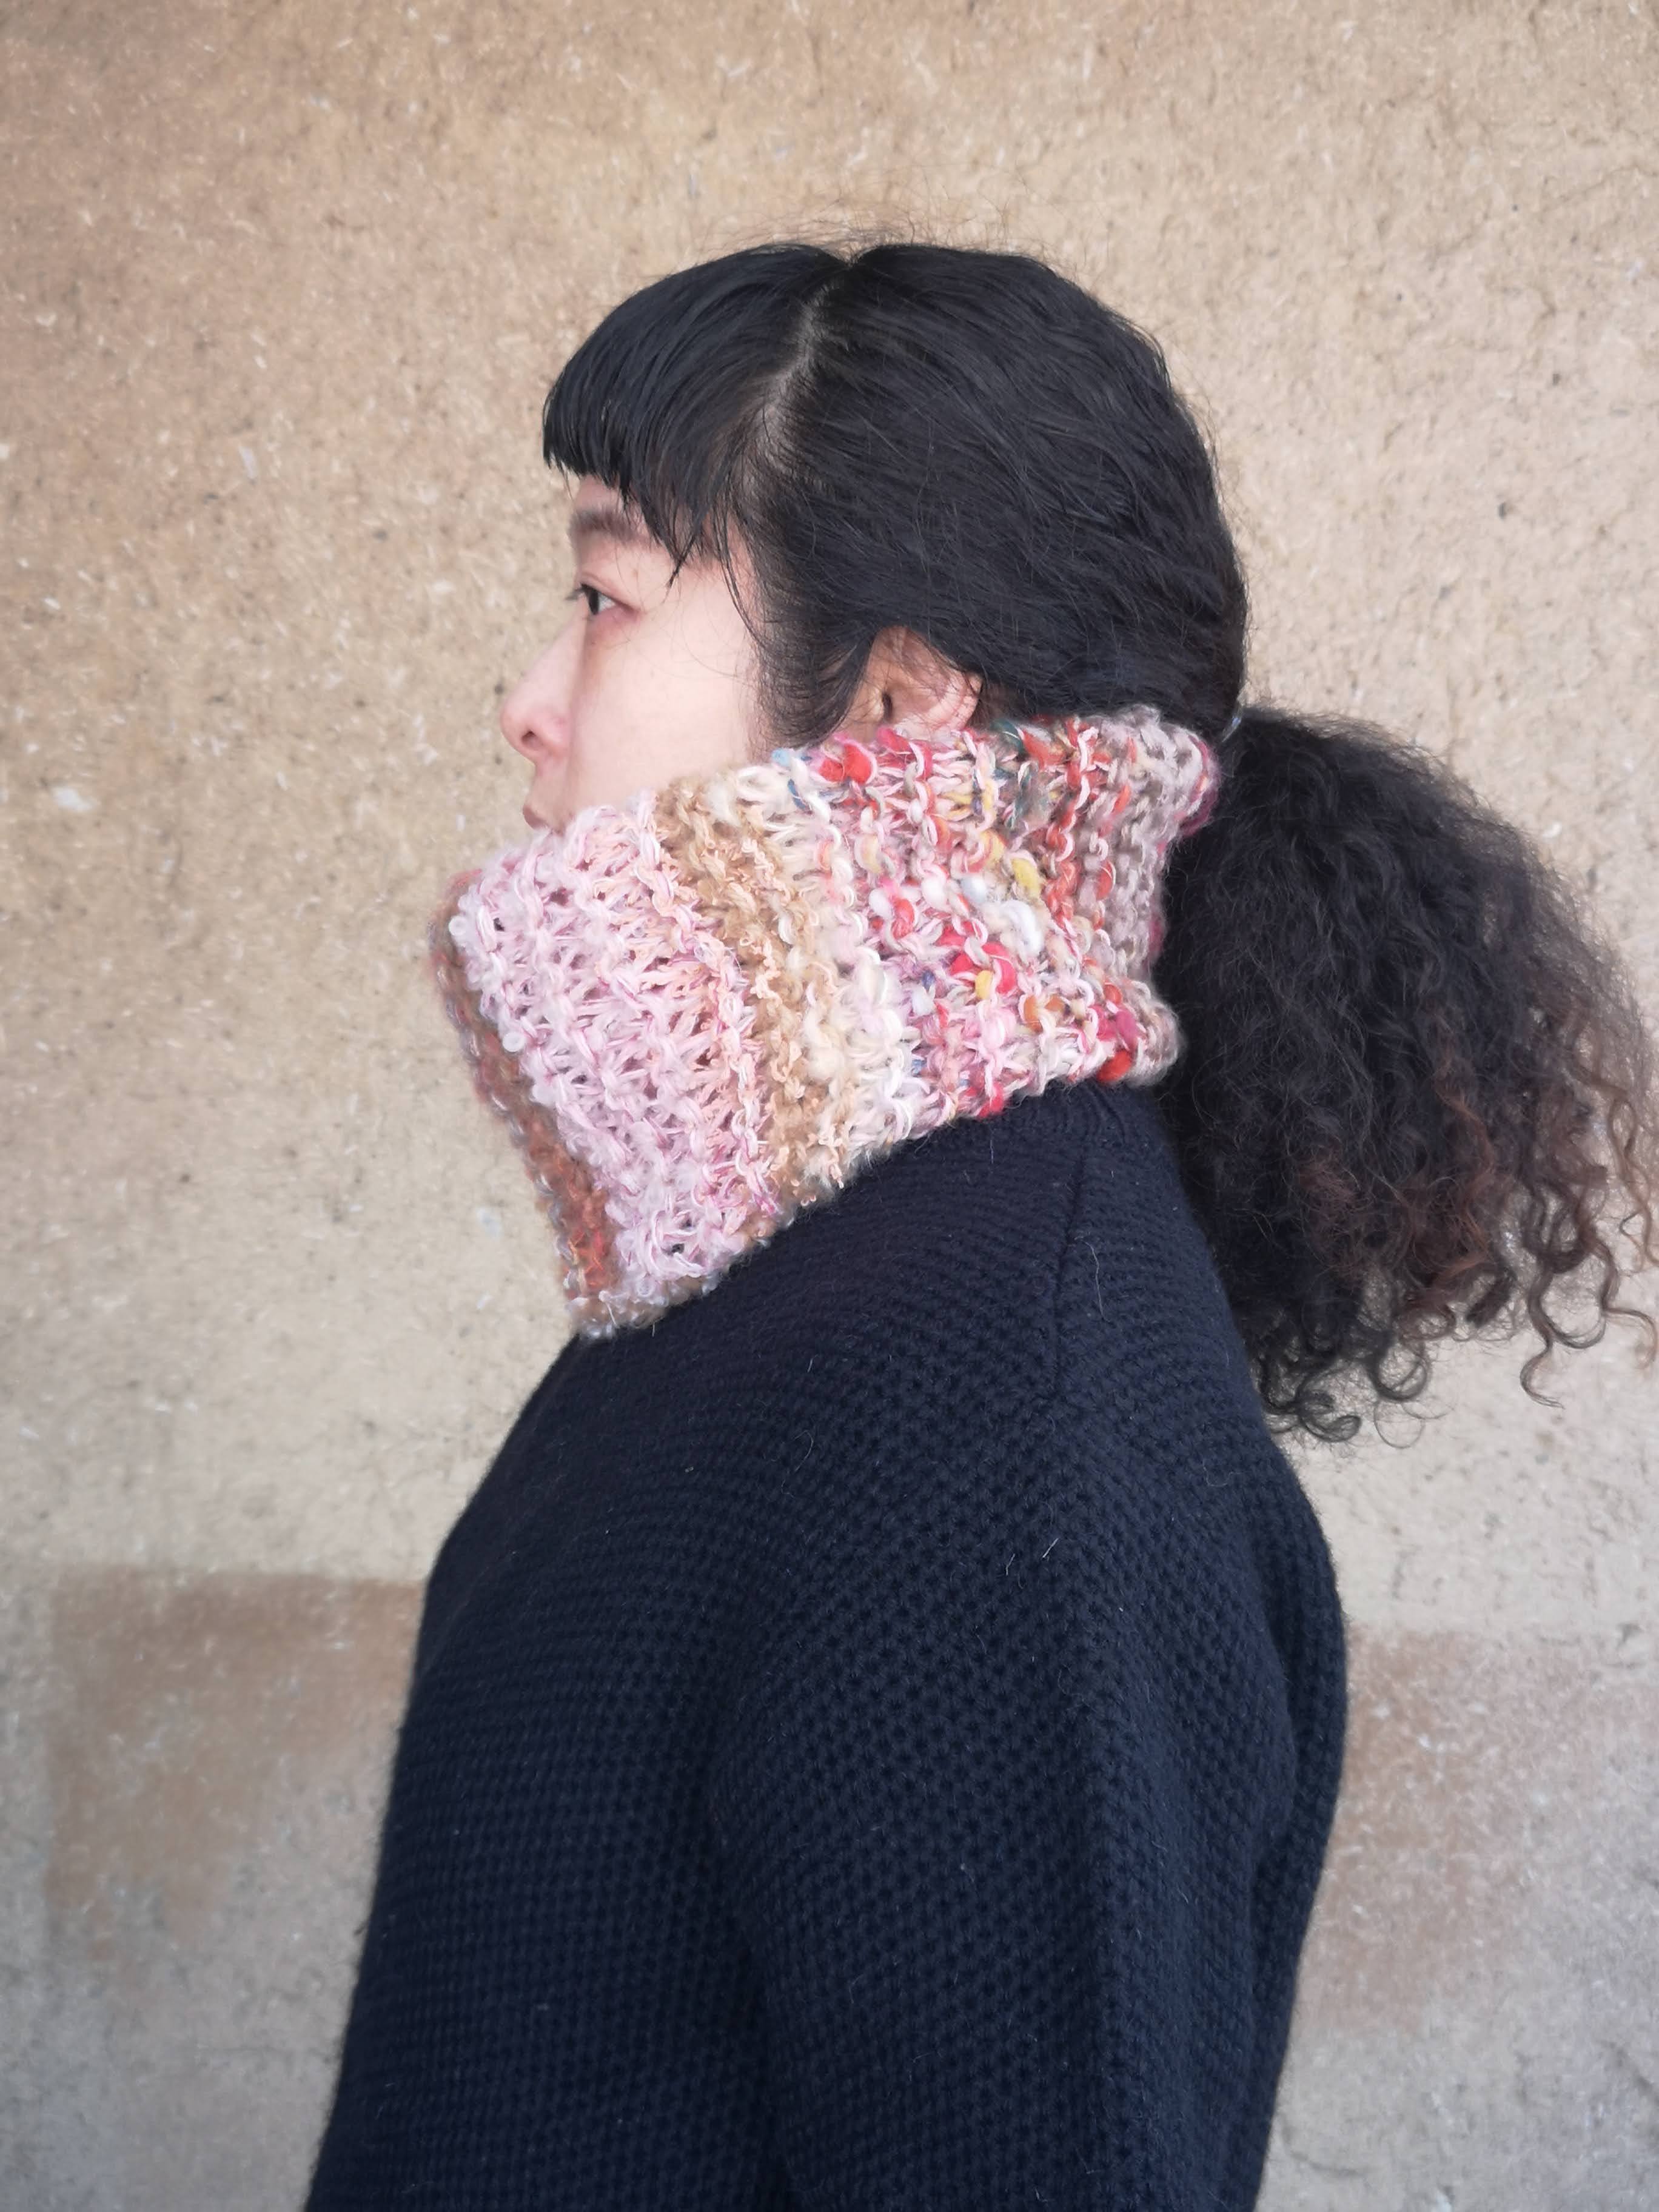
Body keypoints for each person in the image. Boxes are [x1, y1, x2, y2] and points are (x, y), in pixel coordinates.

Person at [304, 241, 1657, 2210]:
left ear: (905, 703)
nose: (526, 703)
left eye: (604, 602)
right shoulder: (780, 1269)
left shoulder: (1003, 1393)